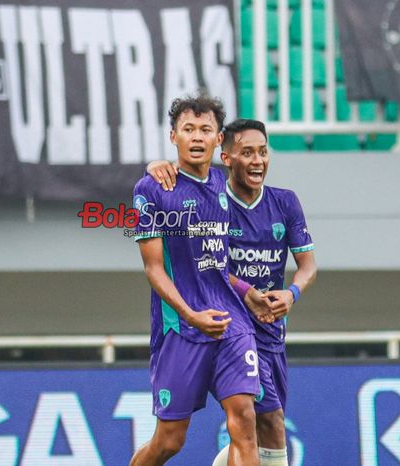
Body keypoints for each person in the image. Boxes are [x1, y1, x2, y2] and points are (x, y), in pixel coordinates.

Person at [147, 118, 317, 466]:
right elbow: (207, 264)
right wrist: (154, 167)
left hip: (270, 330)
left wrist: (292, 294)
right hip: (232, 323)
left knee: (266, 423)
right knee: (253, 422)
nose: (257, 161)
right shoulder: (212, 199)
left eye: (263, 153)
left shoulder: (285, 203)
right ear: (227, 157)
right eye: (247, 153)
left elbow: (308, 266)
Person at [131, 97, 269, 466]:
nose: (196, 137)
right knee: (169, 442)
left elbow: (216, 263)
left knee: (244, 419)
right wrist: (191, 315)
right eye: (188, 130)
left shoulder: (226, 184)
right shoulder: (151, 190)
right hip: (182, 328)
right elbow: (153, 269)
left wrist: (247, 292)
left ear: (218, 139)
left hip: (230, 323)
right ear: (173, 136)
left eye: (205, 130)